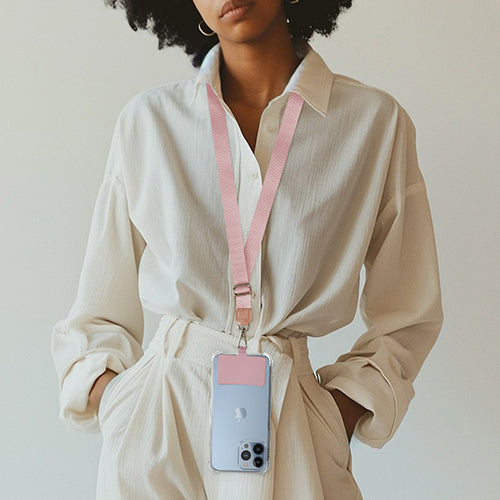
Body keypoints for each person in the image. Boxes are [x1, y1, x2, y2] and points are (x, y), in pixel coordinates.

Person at [50, 0, 444, 498]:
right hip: (161, 426)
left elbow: (409, 313)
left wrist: (335, 415)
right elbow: (97, 310)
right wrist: (122, 406)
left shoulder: (375, 124)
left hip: (295, 427)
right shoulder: (148, 123)